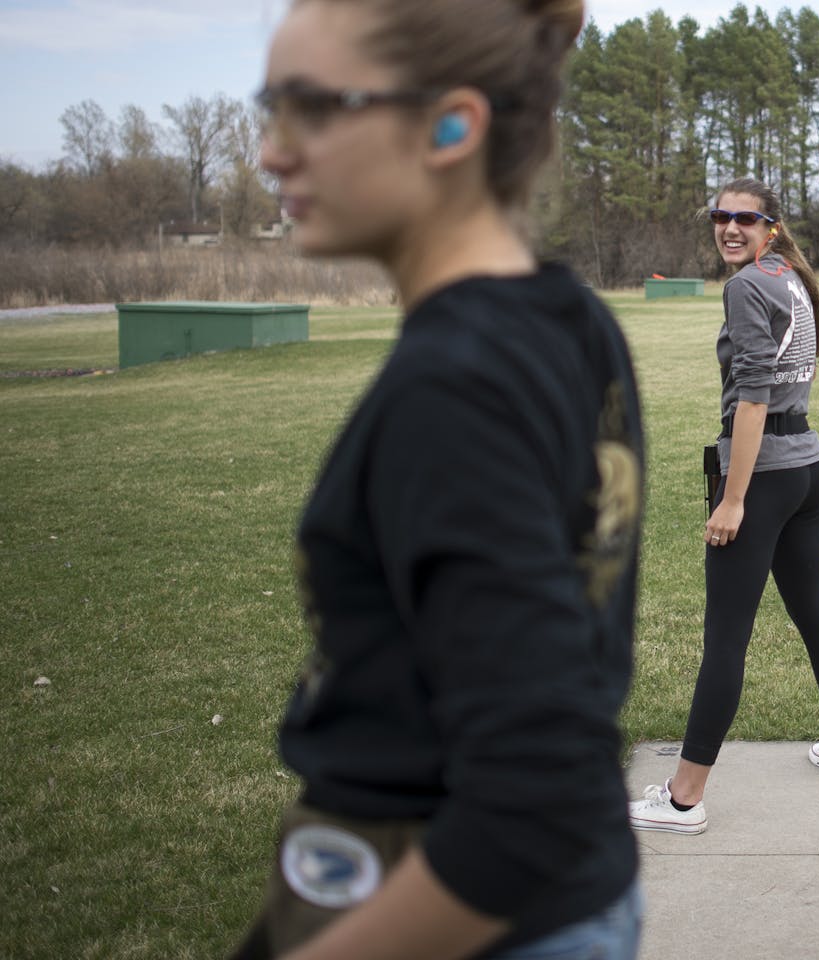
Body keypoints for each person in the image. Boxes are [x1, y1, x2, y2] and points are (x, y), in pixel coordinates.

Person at [232, 0, 646, 957]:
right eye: (270, 105)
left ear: (452, 125)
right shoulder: (567, 318)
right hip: (576, 902)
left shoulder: (455, 388)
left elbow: (537, 793)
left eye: (312, 107)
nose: (271, 151)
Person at [628, 177, 819, 835]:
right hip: (807, 468)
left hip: (762, 477)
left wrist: (733, 499)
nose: (729, 228)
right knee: (813, 610)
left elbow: (754, 396)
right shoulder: (786, 274)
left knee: (726, 639)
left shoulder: (746, 284)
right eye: (720, 217)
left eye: (745, 219)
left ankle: (681, 800)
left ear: (773, 227)